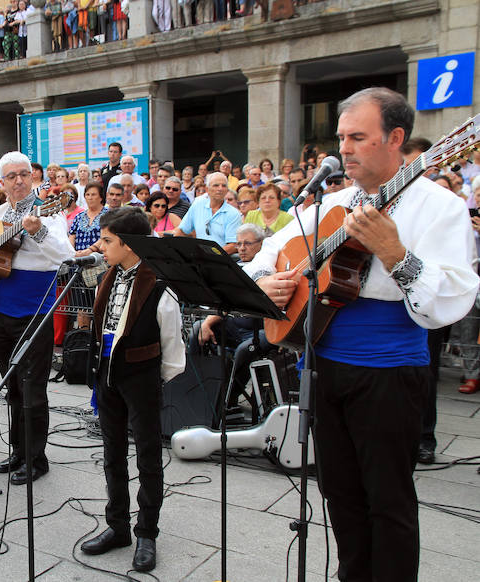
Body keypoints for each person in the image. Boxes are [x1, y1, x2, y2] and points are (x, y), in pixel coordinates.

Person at [244, 87, 479, 581]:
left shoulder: (440, 207)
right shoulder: (336, 202)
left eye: (357, 137)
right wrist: (268, 280)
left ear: (396, 138)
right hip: (324, 363)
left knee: (388, 500)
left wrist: (396, 254)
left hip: (389, 370)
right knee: (339, 491)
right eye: (340, 138)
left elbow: (451, 301)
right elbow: (272, 250)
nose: (343, 149)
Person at [0, 151, 73, 485]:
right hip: (3, 308)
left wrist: (37, 232)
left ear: (33, 177)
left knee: (33, 388)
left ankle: (37, 458)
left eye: (25, 174)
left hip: (36, 310)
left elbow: (65, 257)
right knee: (11, 386)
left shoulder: (47, 211)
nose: (20, 181)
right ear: (2, 182)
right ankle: (18, 450)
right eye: (12, 176)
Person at [80, 207, 184, 573]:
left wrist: (155, 379)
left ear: (129, 244)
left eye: (107, 241)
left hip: (141, 377)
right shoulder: (110, 274)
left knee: (147, 456)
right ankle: (118, 526)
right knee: (112, 452)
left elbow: (172, 341)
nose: (101, 246)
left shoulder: (158, 284)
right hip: (108, 372)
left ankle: (146, 532)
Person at [174, 172, 242, 254]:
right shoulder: (197, 205)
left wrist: (210, 254)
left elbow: (233, 245)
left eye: (224, 186)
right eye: (216, 185)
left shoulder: (233, 213)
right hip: (198, 259)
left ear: (227, 190)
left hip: (222, 260)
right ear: (207, 189)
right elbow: (182, 231)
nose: (220, 189)